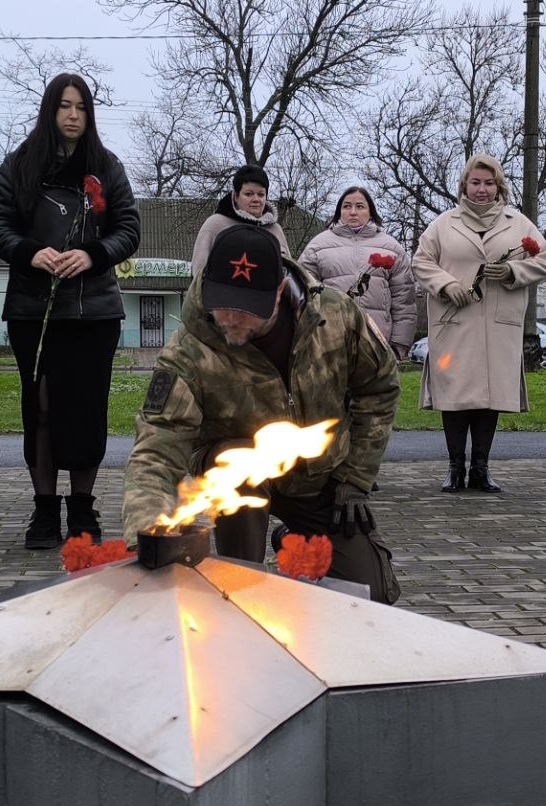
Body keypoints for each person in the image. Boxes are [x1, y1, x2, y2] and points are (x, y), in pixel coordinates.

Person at [122, 224, 402, 605]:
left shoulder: (335, 318)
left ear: (279, 291)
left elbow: (379, 387)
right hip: (238, 475)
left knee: (373, 594)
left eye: (246, 309)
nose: (231, 319)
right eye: (222, 302)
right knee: (238, 464)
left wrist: (355, 477)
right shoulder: (189, 353)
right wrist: (147, 532)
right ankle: (241, 583)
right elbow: (157, 449)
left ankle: (291, 538)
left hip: (322, 480)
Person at [0, 73, 140, 548]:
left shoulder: (107, 166)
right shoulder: (20, 164)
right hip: (35, 310)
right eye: (65, 107)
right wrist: (30, 251)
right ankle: (44, 510)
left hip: (94, 311)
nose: (73, 116)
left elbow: (129, 227)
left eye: (82, 108)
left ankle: (83, 510)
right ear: (50, 111)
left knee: (88, 409)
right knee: (43, 408)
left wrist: (93, 254)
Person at [413, 153, 546, 493]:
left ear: (499, 186)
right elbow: (421, 261)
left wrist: (512, 272)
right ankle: (455, 468)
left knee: (490, 397)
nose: (482, 189)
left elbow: (544, 260)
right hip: (455, 322)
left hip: (497, 326)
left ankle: (481, 469)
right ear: (464, 185)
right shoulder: (444, 224)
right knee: (456, 397)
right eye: (475, 182)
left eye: (489, 183)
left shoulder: (518, 223)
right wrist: (446, 285)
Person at [298, 186, 416, 361]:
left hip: (377, 343)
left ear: (370, 211)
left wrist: (399, 345)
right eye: (346, 206)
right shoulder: (318, 246)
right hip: (328, 343)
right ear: (339, 211)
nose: (353, 212)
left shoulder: (392, 248)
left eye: (360, 206)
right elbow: (301, 294)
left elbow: (404, 301)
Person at [190, 164, 290, 275]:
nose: (256, 199)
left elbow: (288, 273)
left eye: (261, 194)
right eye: (249, 194)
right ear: (236, 196)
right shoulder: (215, 225)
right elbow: (198, 273)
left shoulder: (275, 230)